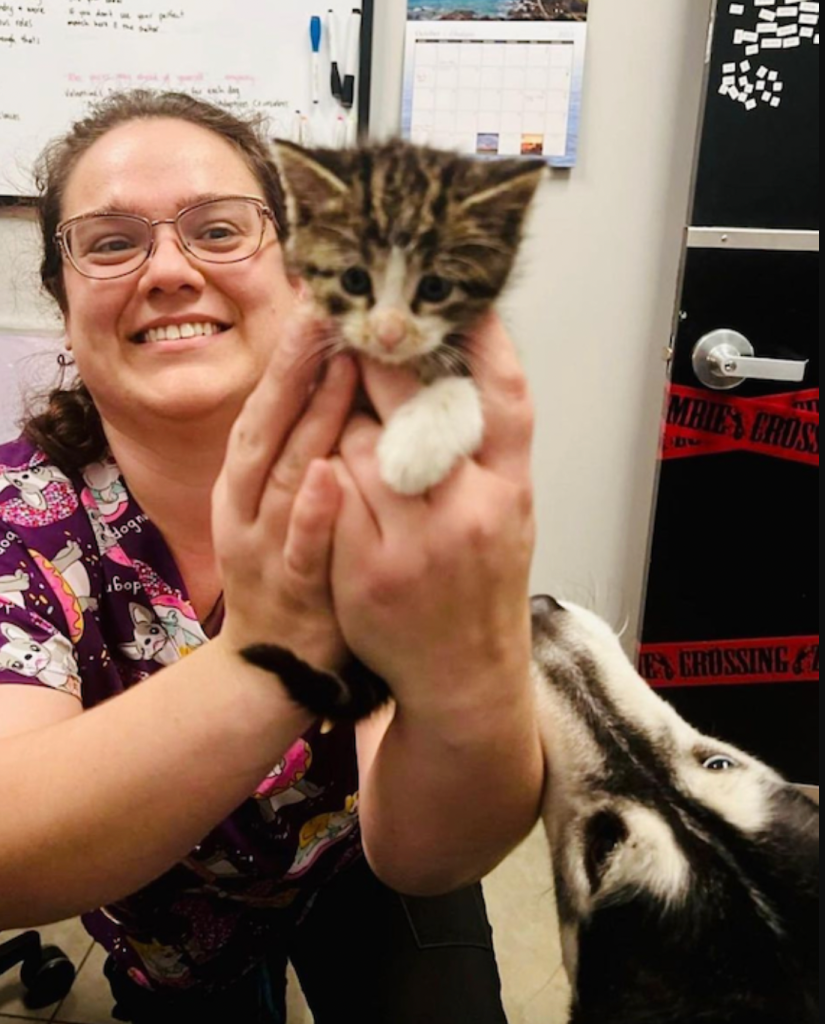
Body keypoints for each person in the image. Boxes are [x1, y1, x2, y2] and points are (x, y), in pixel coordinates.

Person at [0, 91, 543, 1024]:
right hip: (161, 904)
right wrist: (276, 647)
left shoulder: (387, 472)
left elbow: (427, 851)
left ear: (301, 274)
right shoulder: (24, 516)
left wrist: (476, 664)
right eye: (112, 241)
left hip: (357, 870)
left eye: (220, 230)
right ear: (62, 295)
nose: (169, 270)